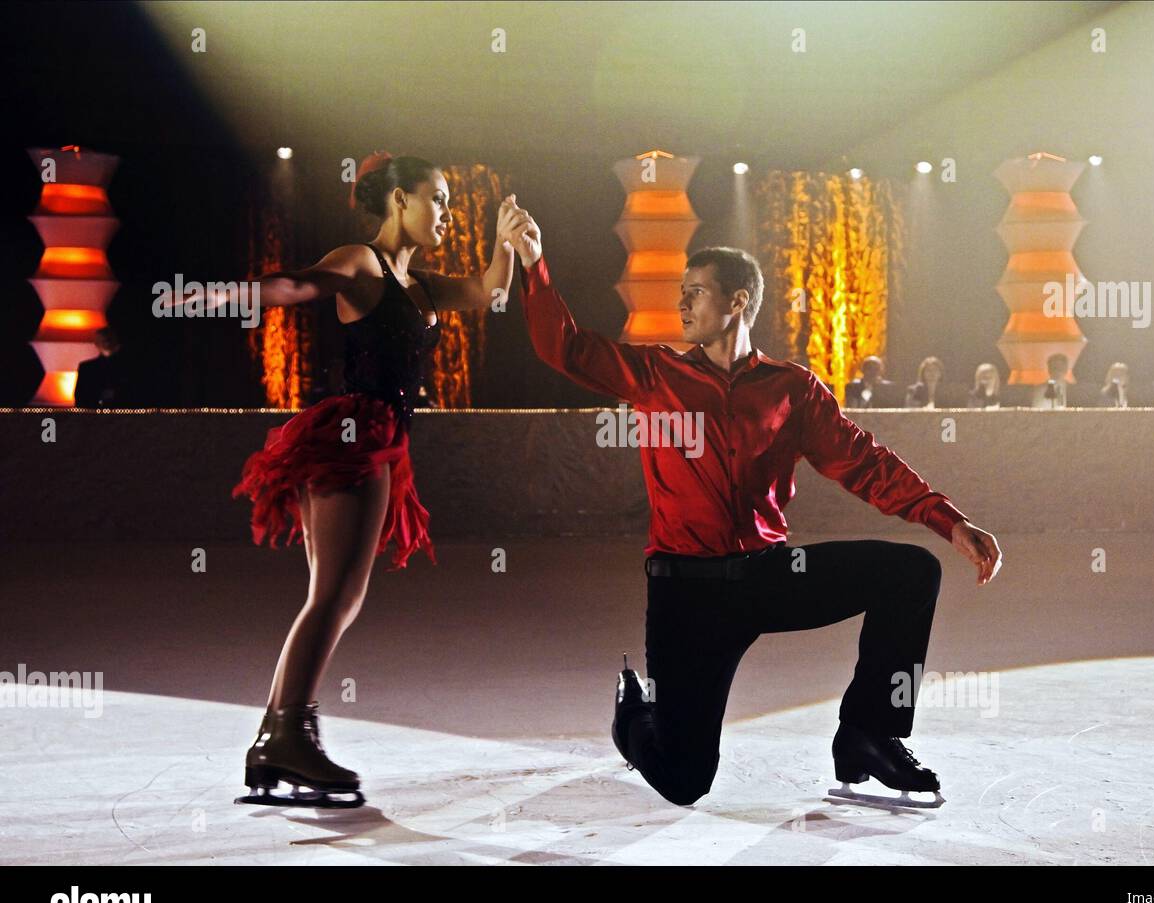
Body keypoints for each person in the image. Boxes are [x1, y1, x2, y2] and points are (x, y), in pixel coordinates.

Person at [504, 208, 1002, 808]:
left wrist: (946, 519)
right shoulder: (655, 374)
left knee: (912, 572)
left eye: (696, 293)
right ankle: (633, 716)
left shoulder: (791, 389)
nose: (682, 305)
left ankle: (870, 734)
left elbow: (863, 462)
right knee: (684, 780)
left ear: (737, 302)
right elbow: (565, 347)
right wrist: (533, 262)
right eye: (680, 293)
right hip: (685, 592)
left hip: (770, 575)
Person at [170, 152, 527, 807]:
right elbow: (299, 285)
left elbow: (484, 292)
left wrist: (505, 244)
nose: (447, 213)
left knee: (335, 597)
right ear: (398, 203)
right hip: (351, 437)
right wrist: (229, 294)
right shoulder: (362, 263)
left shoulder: (421, 286)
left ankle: (279, 736)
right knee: (333, 597)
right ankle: (284, 737)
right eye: (437, 200)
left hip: (383, 443)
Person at [74, 327, 131, 408]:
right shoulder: (86, 368)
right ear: (96, 343)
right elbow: (80, 397)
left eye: (109, 340)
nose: (107, 343)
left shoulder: (87, 368)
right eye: (104, 341)